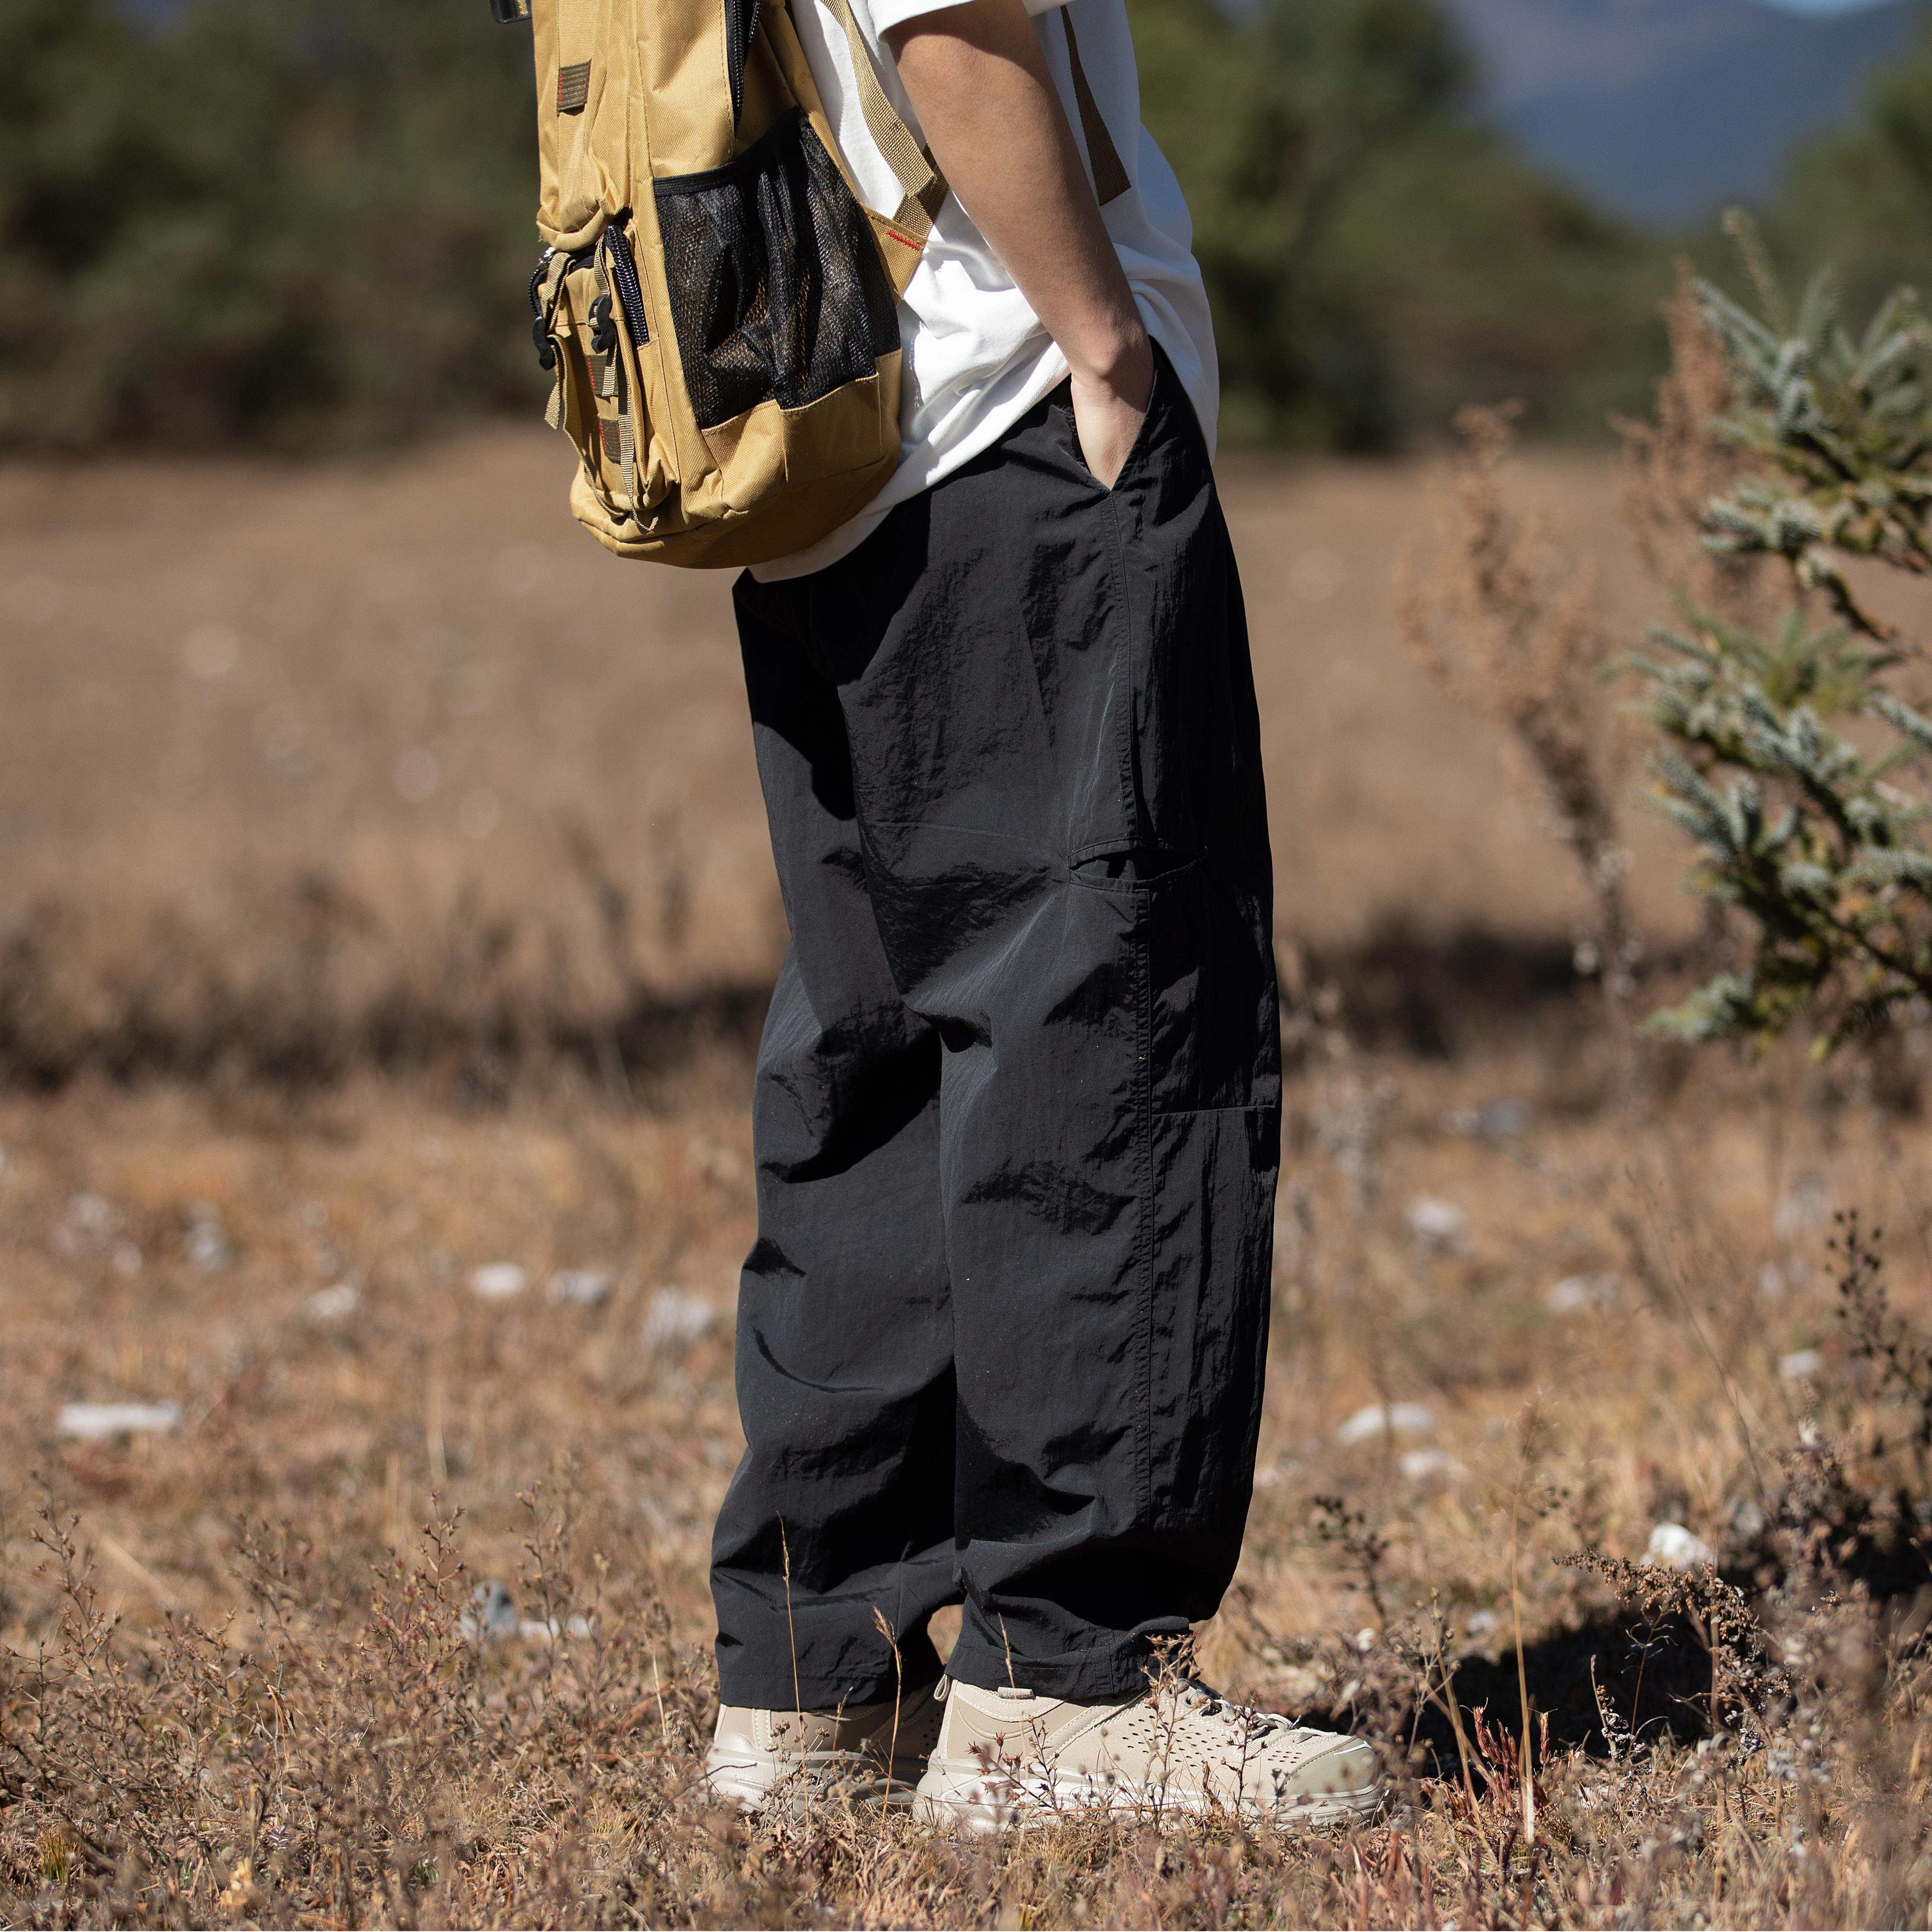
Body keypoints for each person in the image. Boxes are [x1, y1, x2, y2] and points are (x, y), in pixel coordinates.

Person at [703, 0, 1383, 1828]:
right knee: (1113, 1046)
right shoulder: (1051, 373)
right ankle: (1066, 1688)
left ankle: (809, 1680)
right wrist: (1104, 336)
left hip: (825, 449)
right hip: (1008, 422)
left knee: (883, 1057)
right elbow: (958, 20)